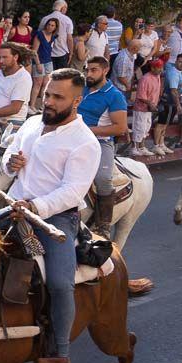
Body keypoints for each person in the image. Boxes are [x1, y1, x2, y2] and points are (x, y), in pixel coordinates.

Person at [2, 67, 100, 363]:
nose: (49, 102)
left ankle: (60, 357)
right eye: (47, 94)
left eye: (58, 97)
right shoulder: (32, 122)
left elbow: (73, 192)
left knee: (60, 284)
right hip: (12, 206)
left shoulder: (85, 142)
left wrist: (36, 207)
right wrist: (9, 164)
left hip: (54, 219)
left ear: (77, 100)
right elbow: (9, 157)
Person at [76, 56, 128, 237]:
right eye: (87, 70)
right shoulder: (80, 88)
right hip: (72, 138)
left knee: (103, 178)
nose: (88, 74)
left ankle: (103, 224)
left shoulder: (115, 96)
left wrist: (88, 130)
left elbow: (120, 128)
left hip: (99, 142)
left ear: (105, 71)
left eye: (94, 70)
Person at [131, 59, 164, 157]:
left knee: (146, 128)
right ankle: (134, 148)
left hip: (149, 108)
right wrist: (150, 103)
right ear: (152, 68)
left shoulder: (157, 77)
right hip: (141, 108)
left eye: (161, 68)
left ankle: (142, 147)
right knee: (139, 127)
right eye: (158, 68)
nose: (160, 70)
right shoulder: (145, 79)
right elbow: (141, 96)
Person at [29, 17, 59, 109]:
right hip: (39, 61)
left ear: (55, 27)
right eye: (49, 24)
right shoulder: (40, 34)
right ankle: (32, 105)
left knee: (46, 84)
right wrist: (38, 64)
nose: (50, 27)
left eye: (52, 25)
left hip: (48, 61)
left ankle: (43, 105)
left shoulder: (53, 37)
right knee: (37, 84)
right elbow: (34, 51)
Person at [39, 0, 75, 69]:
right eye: (66, 8)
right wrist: (71, 53)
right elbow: (69, 39)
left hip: (46, 53)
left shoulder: (45, 19)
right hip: (62, 53)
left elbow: (39, 36)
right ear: (63, 8)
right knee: (61, 77)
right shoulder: (67, 20)